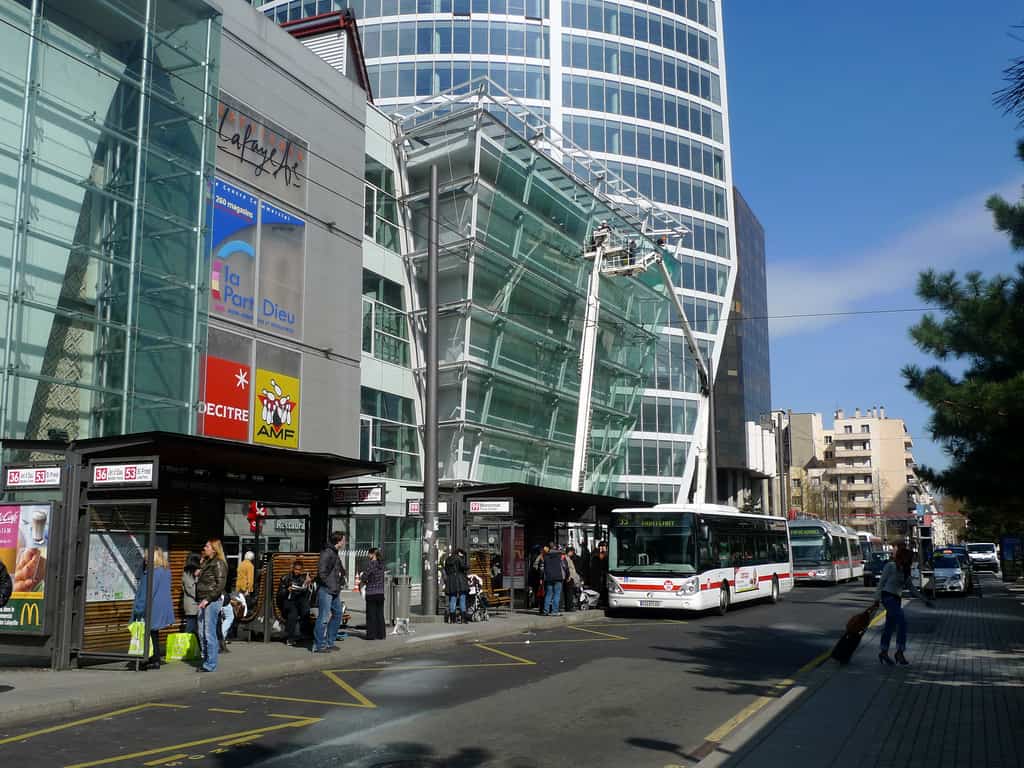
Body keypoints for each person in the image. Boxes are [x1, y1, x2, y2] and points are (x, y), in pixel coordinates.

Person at [871, 545, 934, 666]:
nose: (911, 562)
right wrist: (876, 600)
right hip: (887, 597)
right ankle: (899, 652)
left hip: (896, 599)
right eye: (909, 559)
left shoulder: (905, 571)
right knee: (902, 622)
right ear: (903, 557)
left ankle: (883, 652)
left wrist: (924, 600)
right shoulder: (890, 566)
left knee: (889, 626)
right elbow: (881, 583)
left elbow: (912, 590)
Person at [131, 547, 175, 670]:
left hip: (151, 608)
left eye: (146, 556)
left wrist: (138, 609)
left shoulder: (151, 573)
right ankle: (155, 659)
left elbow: (146, 593)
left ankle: (147, 659)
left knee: (147, 634)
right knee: (153, 634)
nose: (144, 559)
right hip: (161, 608)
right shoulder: (165, 571)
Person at [196, 539, 228, 672]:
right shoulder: (208, 562)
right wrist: (200, 570)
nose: (205, 548)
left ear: (214, 549)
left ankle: (210, 663)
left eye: (207, 546)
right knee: (201, 631)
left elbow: (220, 585)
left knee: (209, 633)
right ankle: (206, 659)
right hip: (203, 599)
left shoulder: (219, 563)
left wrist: (208, 599)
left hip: (212, 600)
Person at [314, 532, 346, 653]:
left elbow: (337, 569)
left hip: (334, 589)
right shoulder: (327, 552)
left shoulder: (334, 552)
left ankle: (329, 642)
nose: (345, 542)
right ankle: (319, 645)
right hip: (326, 589)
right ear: (338, 541)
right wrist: (330, 584)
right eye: (344, 540)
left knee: (338, 614)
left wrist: (341, 577)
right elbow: (321, 573)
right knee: (323, 618)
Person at [278, 559, 312, 646]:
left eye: (299, 570)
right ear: (293, 569)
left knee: (306, 610)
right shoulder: (285, 578)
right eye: (296, 569)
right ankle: (290, 638)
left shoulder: (303, 578)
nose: (297, 571)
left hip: (299, 600)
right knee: (293, 614)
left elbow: (307, 594)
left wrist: (307, 585)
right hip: (289, 600)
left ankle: (304, 633)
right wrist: (287, 590)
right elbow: (280, 593)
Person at [362, 547, 387, 640]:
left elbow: (364, 577)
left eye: (369, 554)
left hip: (371, 593)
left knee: (371, 615)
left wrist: (364, 579)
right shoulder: (381, 565)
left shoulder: (371, 564)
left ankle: (371, 635)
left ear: (373, 554)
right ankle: (381, 634)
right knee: (380, 614)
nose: (368, 555)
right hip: (380, 593)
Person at [443, 547, 470, 623]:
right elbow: (463, 567)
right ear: (459, 553)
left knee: (453, 598)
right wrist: (468, 566)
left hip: (451, 580)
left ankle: (452, 620)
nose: (462, 556)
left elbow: (446, 569)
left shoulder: (448, 559)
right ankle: (463, 619)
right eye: (462, 554)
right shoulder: (459, 558)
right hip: (460, 580)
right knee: (462, 598)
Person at [542, 542, 567, 616]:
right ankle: (554, 611)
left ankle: (545, 611)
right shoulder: (560, 555)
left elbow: (543, 568)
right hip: (558, 577)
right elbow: (564, 566)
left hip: (549, 577)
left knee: (548, 594)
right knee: (557, 594)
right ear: (555, 547)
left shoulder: (545, 556)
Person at [181, 554, 201, 637]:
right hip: (192, 605)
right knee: (190, 627)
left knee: (195, 628)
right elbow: (192, 590)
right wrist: (197, 577)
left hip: (197, 604)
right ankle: (185, 645)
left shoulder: (194, 572)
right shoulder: (187, 574)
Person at [589, 541, 609, 608]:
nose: (602, 548)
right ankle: (597, 603)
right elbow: (592, 567)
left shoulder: (608, 556)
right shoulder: (595, 556)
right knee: (597, 590)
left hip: (605, 576)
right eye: (601, 546)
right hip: (596, 577)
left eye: (604, 547)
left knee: (605, 590)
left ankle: (604, 602)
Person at [563, 546, 581, 612]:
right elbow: (567, 569)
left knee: (569, 593)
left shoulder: (568, 558)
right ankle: (569, 607)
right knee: (569, 593)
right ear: (569, 552)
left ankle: (568, 606)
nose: (573, 553)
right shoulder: (566, 558)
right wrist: (569, 576)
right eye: (572, 552)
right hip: (569, 578)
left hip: (570, 577)